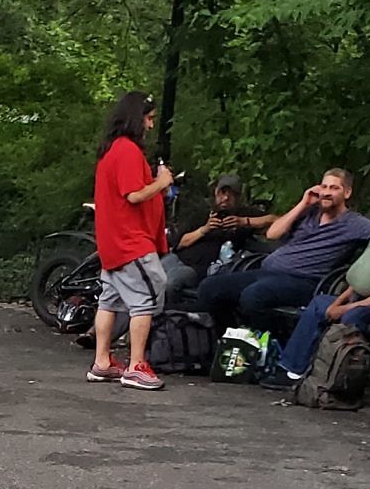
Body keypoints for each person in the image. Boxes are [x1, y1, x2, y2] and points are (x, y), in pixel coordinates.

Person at [270, 183, 370, 384]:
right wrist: (337, 302)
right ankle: (292, 370)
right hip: (365, 298)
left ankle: (330, 377)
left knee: (354, 315)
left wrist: (344, 309)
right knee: (320, 303)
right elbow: (359, 278)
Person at [195, 168, 370, 341]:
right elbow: (273, 233)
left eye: (334, 188)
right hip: (267, 272)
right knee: (210, 287)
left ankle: (270, 350)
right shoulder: (308, 213)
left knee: (253, 296)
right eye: (324, 187)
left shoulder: (355, 224)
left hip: (305, 281)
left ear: (347, 193)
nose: (327, 192)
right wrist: (303, 203)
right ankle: (228, 343)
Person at [86, 89, 172, 390]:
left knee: (109, 299)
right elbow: (133, 195)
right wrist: (161, 182)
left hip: (112, 241)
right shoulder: (127, 151)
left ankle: (103, 361)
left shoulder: (111, 150)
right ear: (137, 119)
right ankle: (137, 365)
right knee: (147, 298)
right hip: (130, 242)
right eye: (148, 119)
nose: (150, 126)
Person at [164, 173, 263, 305]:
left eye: (231, 195)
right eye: (222, 193)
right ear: (216, 193)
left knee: (170, 284)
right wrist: (204, 229)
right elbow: (180, 243)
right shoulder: (202, 213)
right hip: (178, 257)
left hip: (199, 268)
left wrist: (244, 222)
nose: (226, 198)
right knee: (149, 276)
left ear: (238, 197)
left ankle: (172, 319)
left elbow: (274, 220)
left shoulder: (244, 214)